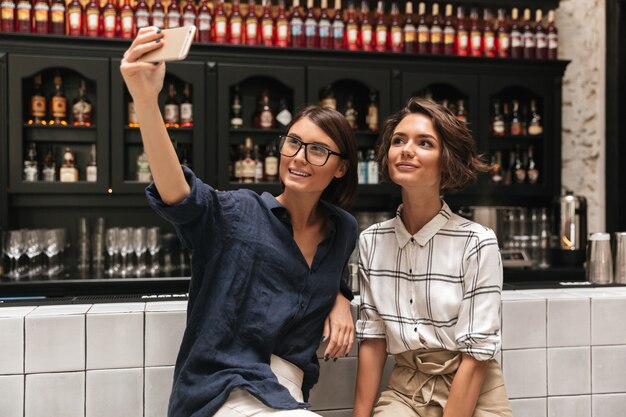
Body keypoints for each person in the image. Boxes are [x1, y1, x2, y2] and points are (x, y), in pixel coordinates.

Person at [120, 27, 359, 417]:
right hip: (224, 387)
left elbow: (322, 275)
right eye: (293, 143)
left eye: (317, 150)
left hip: (288, 393)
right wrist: (146, 100)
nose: (298, 157)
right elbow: (177, 192)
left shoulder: (343, 229)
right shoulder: (237, 213)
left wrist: (340, 299)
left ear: (340, 168)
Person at [353, 97, 512, 417]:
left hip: (474, 390)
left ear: (447, 160)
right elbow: (373, 339)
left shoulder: (477, 242)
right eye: (399, 141)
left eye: (424, 143)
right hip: (405, 390)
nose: (406, 149)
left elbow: (476, 355)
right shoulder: (371, 241)